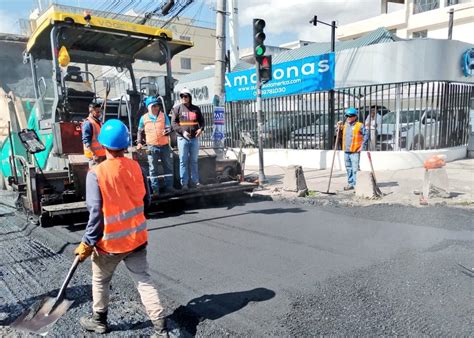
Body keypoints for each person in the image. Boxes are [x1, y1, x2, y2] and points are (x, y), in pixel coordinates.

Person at [74, 119, 168, 337]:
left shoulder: (96, 173)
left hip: (109, 245)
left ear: (103, 145)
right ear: (125, 145)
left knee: (100, 280)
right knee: (144, 280)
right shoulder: (137, 167)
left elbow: (95, 214)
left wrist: (88, 242)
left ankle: (99, 321)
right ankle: (160, 327)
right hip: (136, 239)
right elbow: (147, 202)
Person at [137, 96, 175, 195]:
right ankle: (155, 190)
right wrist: (139, 142)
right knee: (153, 169)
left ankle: (169, 187)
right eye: (153, 106)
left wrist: (167, 131)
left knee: (168, 166)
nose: (156, 108)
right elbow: (140, 131)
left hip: (165, 146)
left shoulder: (164, 116)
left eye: (157, 106)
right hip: (152, 146)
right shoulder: (143, 118)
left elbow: (168, 128)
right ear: (149, 107)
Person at [171, 88, 205, 190]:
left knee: (194, 161)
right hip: (182, 139)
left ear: (190, 97)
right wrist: (183, 132)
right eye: (182, 96)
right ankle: (184, 184)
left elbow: (202, 121)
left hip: (194, 139)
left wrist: (201, 129)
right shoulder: (177, 109)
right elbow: (173, 123)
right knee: (183, 161)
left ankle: (196, 181)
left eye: (186, 96)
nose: (183, 98)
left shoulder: (196, 109)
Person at [337, 107, 369, 191]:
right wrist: (338, 127)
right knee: (348, 168)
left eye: (350, 116)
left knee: (355, 169)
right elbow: (339, 134)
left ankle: (356, 185)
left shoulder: (359, 125)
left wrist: (362, 146)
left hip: (355, 151)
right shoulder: (345, 125)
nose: (348, 117)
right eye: (347, 116)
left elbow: (366, 135)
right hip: (346, 151)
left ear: (355, 116)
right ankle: (350, 183)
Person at [82, 102, 106, 167]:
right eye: (97, 112)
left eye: (100, 112)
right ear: (91, 111)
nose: (99, 114)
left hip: (102, 156)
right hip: (95, 158)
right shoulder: (88, 123)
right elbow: (86, 142)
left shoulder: (99, 123)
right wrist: (94, 155)